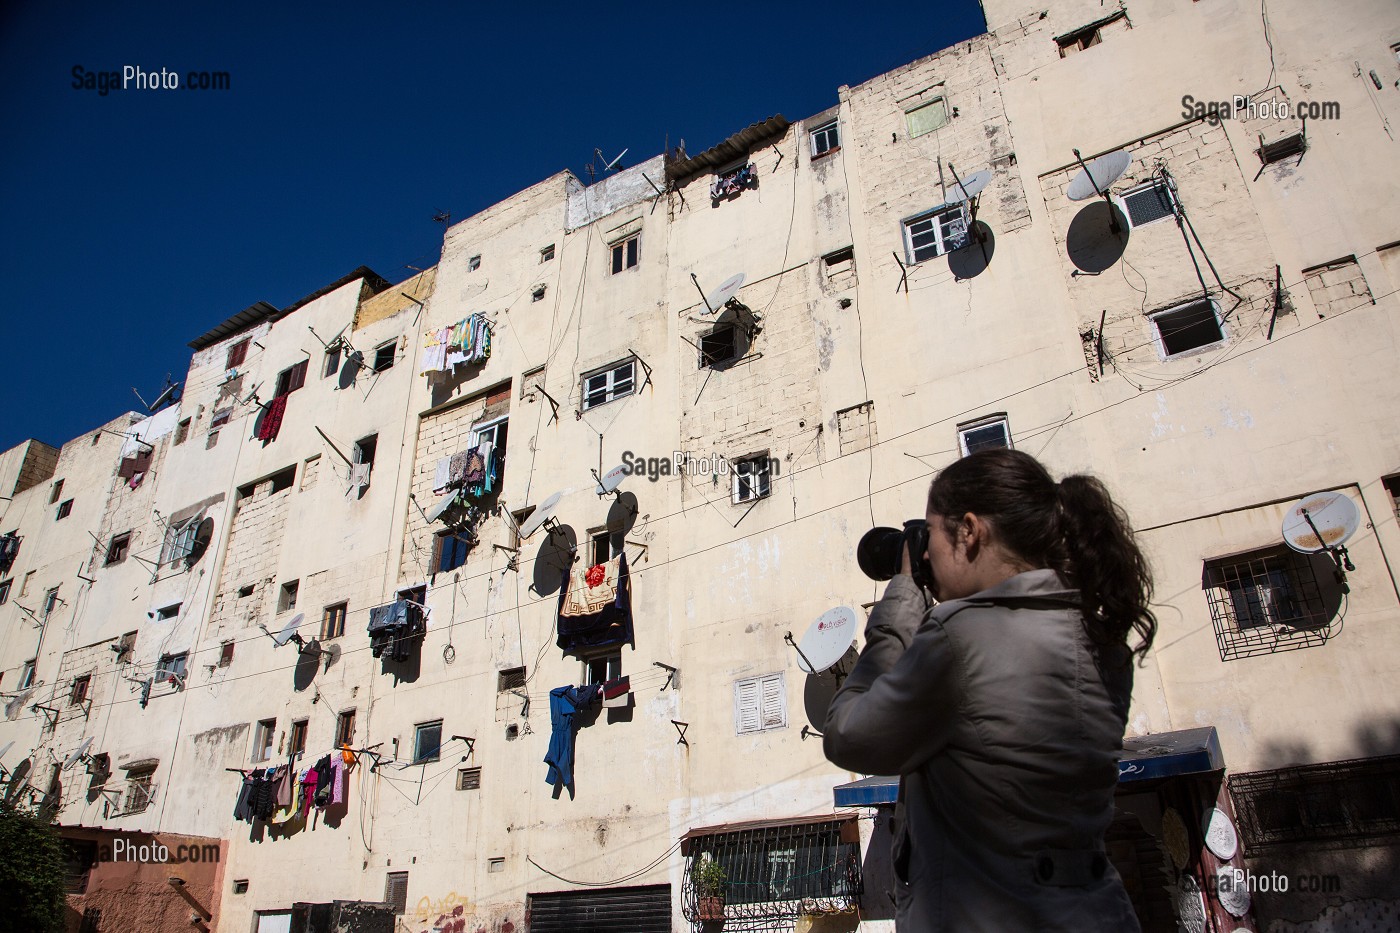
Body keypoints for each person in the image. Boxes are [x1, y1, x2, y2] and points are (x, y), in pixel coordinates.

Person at [824, 448, 1156, 932]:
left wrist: (900, 602)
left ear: (970, 531)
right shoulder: (1102, 639)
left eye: (932, 535)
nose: (928, 556)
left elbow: (848, 735)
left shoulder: (960, 638)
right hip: (1096, 910)